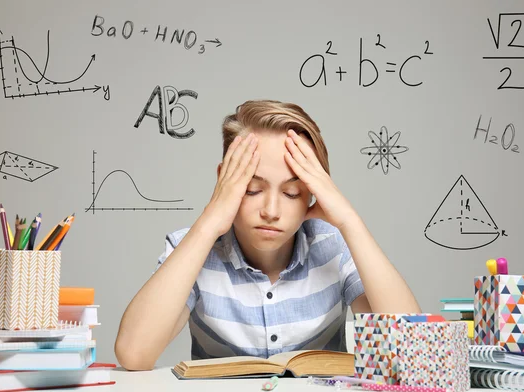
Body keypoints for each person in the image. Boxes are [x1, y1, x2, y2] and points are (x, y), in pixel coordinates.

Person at [115, 100, 421, 371]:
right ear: (225, 180)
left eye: (291, 193)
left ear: (313, 195)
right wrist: (209, 222)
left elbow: (412, 348)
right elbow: (134, 355)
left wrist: (350, 222)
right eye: (252, 189)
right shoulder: (192, 249)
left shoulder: (333, 247)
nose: (271, 210)